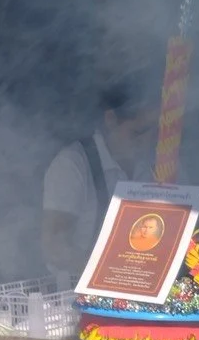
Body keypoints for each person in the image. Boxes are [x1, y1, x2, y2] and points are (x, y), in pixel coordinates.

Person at [41, 71, 161, 278]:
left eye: (154, 131)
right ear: (111, 119)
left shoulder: (156, 165)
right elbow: (54, 245)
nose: (147, 141)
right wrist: (109, 275)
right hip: (78, 288)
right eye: (137, 133)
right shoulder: (72, 165)